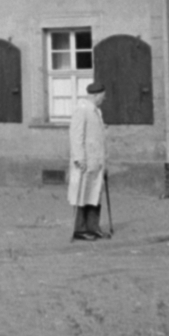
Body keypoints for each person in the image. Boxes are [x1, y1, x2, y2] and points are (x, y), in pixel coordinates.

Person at [67, 81, 108, 241]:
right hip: (84, 162)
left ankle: (93, 227)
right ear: (96, 95)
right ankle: (80, 229)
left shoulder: (96, 111)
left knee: (94, 194)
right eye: (102, 96)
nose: (104, 99)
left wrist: (105, 161)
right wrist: (79, 158)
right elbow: (76, 136)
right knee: (81, 194)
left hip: (96, 161)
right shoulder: (81, 110)